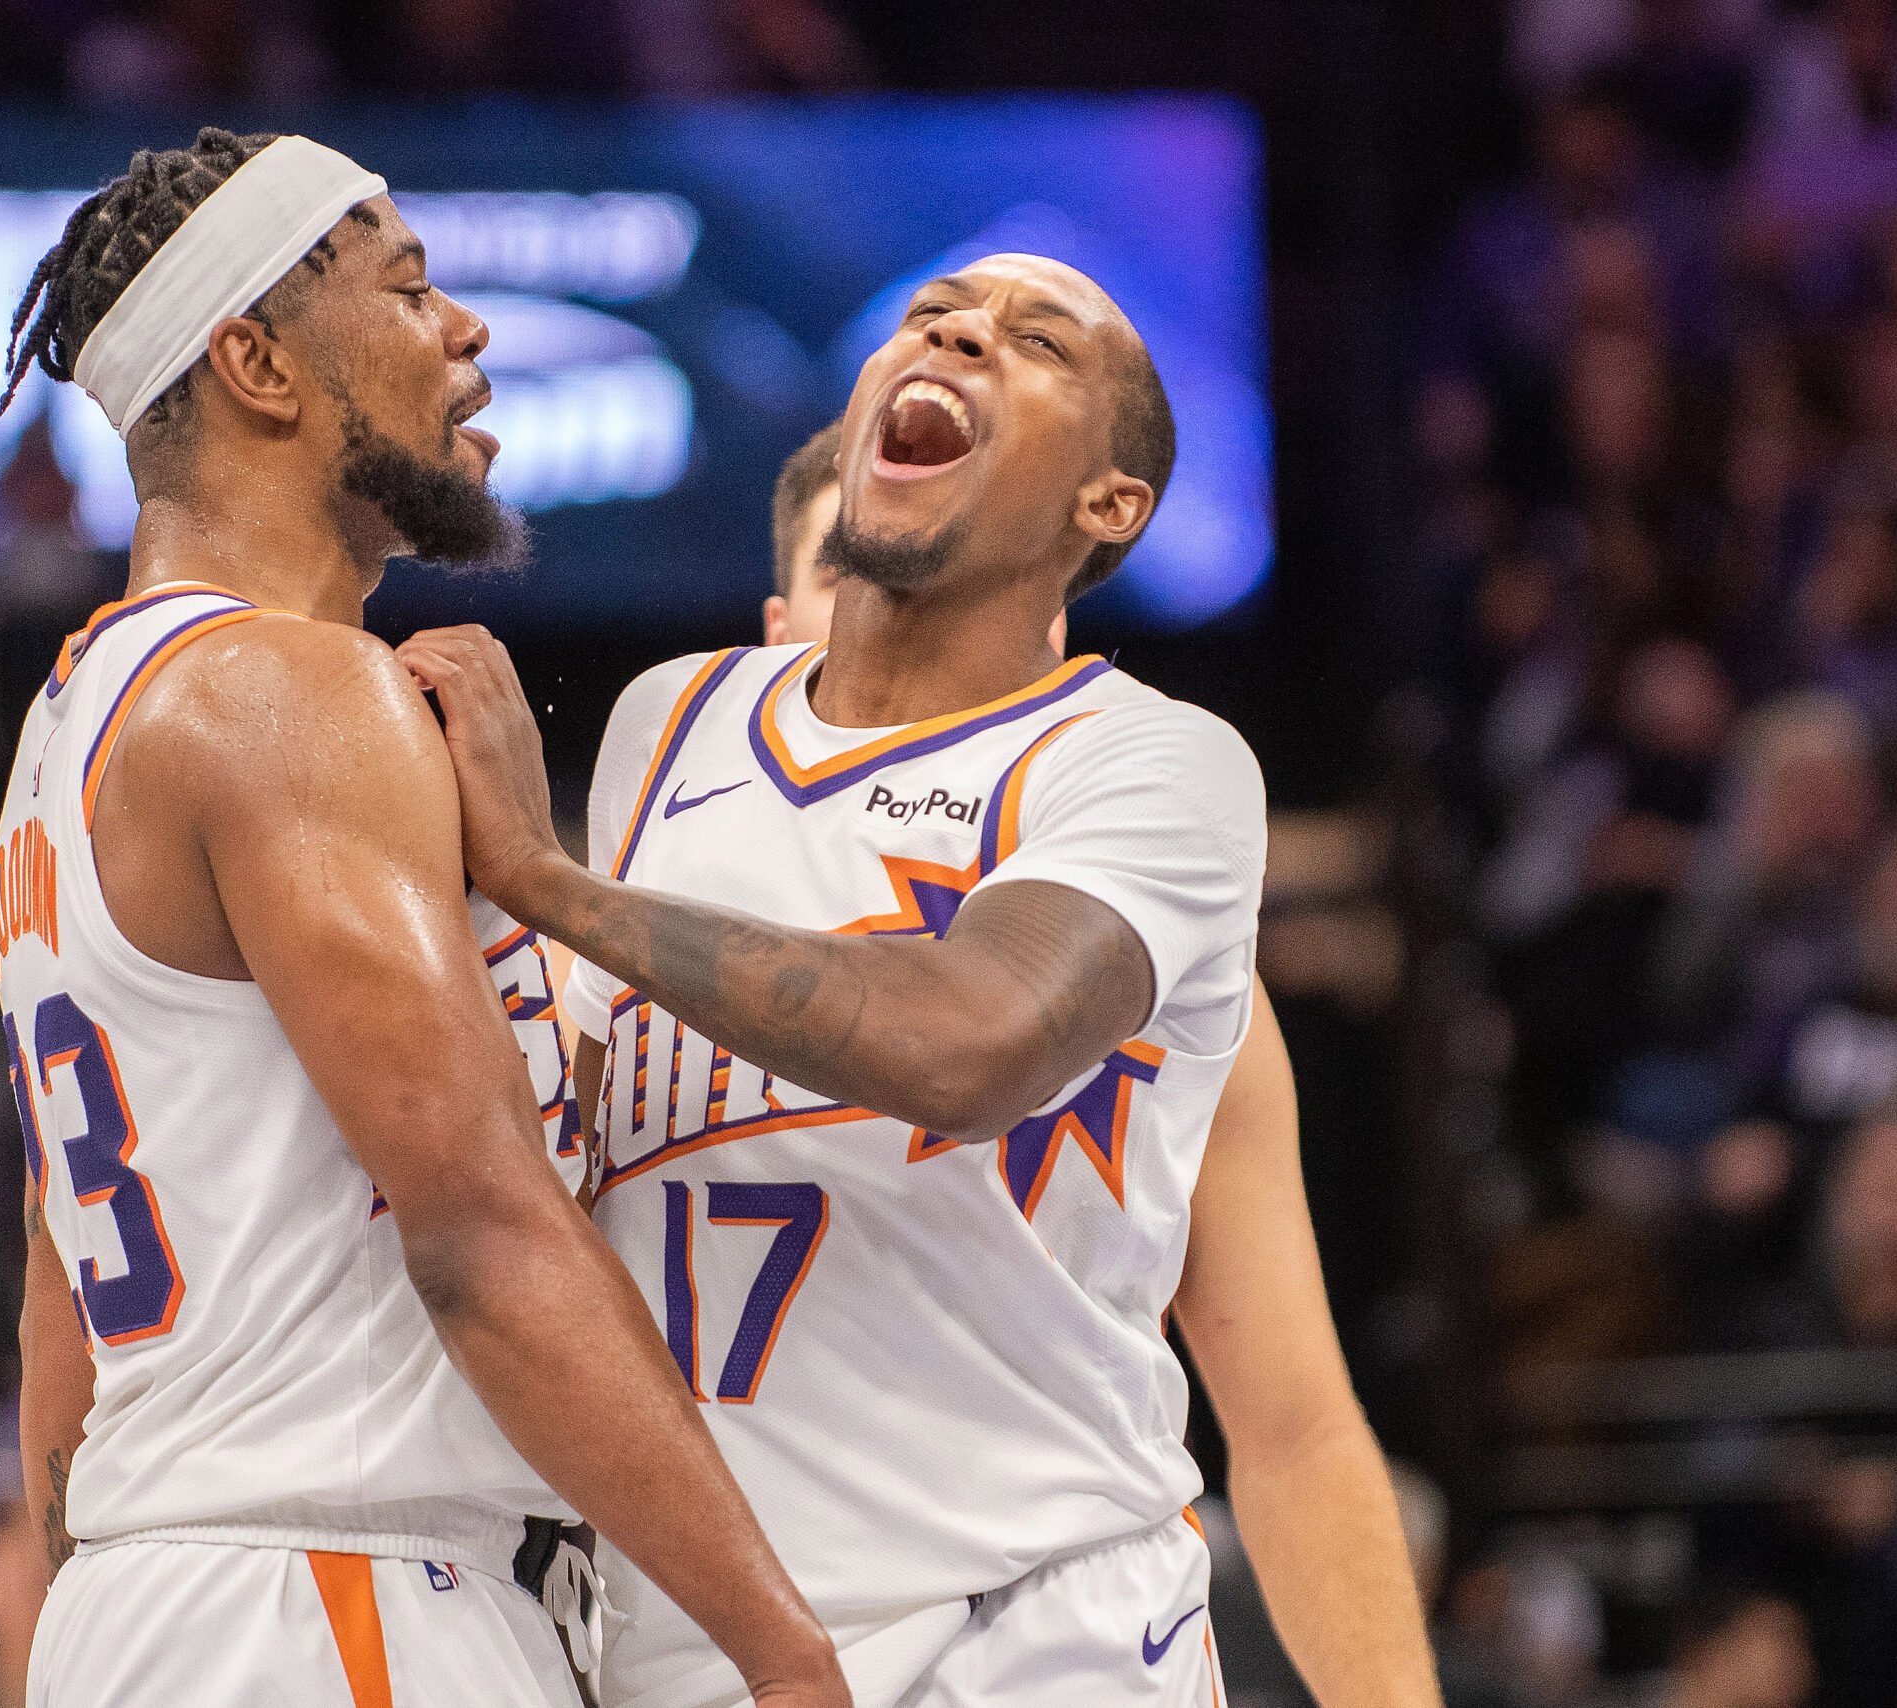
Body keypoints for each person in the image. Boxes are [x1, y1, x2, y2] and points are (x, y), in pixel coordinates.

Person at [403, 252, 1440, 1706]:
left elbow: (977, 1050)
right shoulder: (670, 728)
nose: (954, 330)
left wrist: (549, 884)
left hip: (1032, 1638)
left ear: (1109, 508)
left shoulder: (1149, 777)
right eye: (931, 315)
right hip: (704, 1646)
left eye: (1035, 341)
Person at [0, 127, 848, 1708]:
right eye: (409, 288)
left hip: (166, 1601)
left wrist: (100, 1606)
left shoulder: (69, 734)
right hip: (334, 1597)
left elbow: (61, 1285)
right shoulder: (291, 694)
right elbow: (477, 1230)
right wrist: (787, 1658)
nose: (470, 331)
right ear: (256, 363)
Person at [765, 420, 1063, 656]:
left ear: (1046, 625)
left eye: (960, 578)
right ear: (779, 634)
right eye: (849, 575)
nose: (893, 607)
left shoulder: (1103, 730)